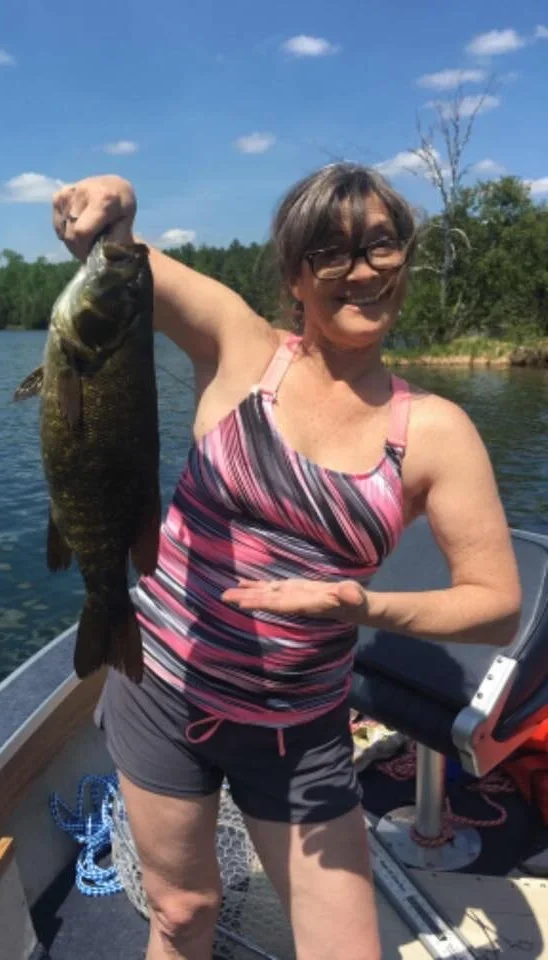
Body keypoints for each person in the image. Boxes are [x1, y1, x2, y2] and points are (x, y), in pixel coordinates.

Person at [51, 164, 522, 960]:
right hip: (162, 689)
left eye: (381, 245)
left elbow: (498, 604)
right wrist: (113, 198)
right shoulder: (241, 347)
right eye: (330, 252)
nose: (361, 271)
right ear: (296, 276)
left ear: (404, 261)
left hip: (299, 733)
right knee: (182, 914)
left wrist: (361, 606)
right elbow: (122, 251)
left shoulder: (435, 432)